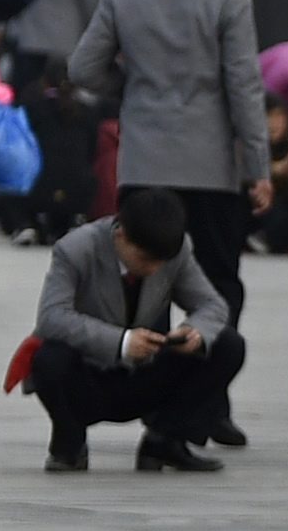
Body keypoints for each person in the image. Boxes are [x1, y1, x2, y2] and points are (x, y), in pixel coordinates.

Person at [66, 0, 270, 377]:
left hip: (145, 162)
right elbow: (244, 87)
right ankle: (205, 397)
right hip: (212, 165)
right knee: (219, 283)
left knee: (146, 284)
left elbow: (81, 69)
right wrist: (259, 168)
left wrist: (129, 83)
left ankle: (155, 397)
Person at [28, 188, 244, 473]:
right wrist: (121, 342)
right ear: (121, 235)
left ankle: (165, 440)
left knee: (227, 344)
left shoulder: (175, 250)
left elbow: (212, 305)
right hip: (89, 375)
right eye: (145, 259)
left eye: (162, 263)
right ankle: (69, 442)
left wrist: (195, 333)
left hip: (146, 375)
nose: (154, 270)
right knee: (48, 358)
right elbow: (51, 317)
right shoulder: (76, 248)